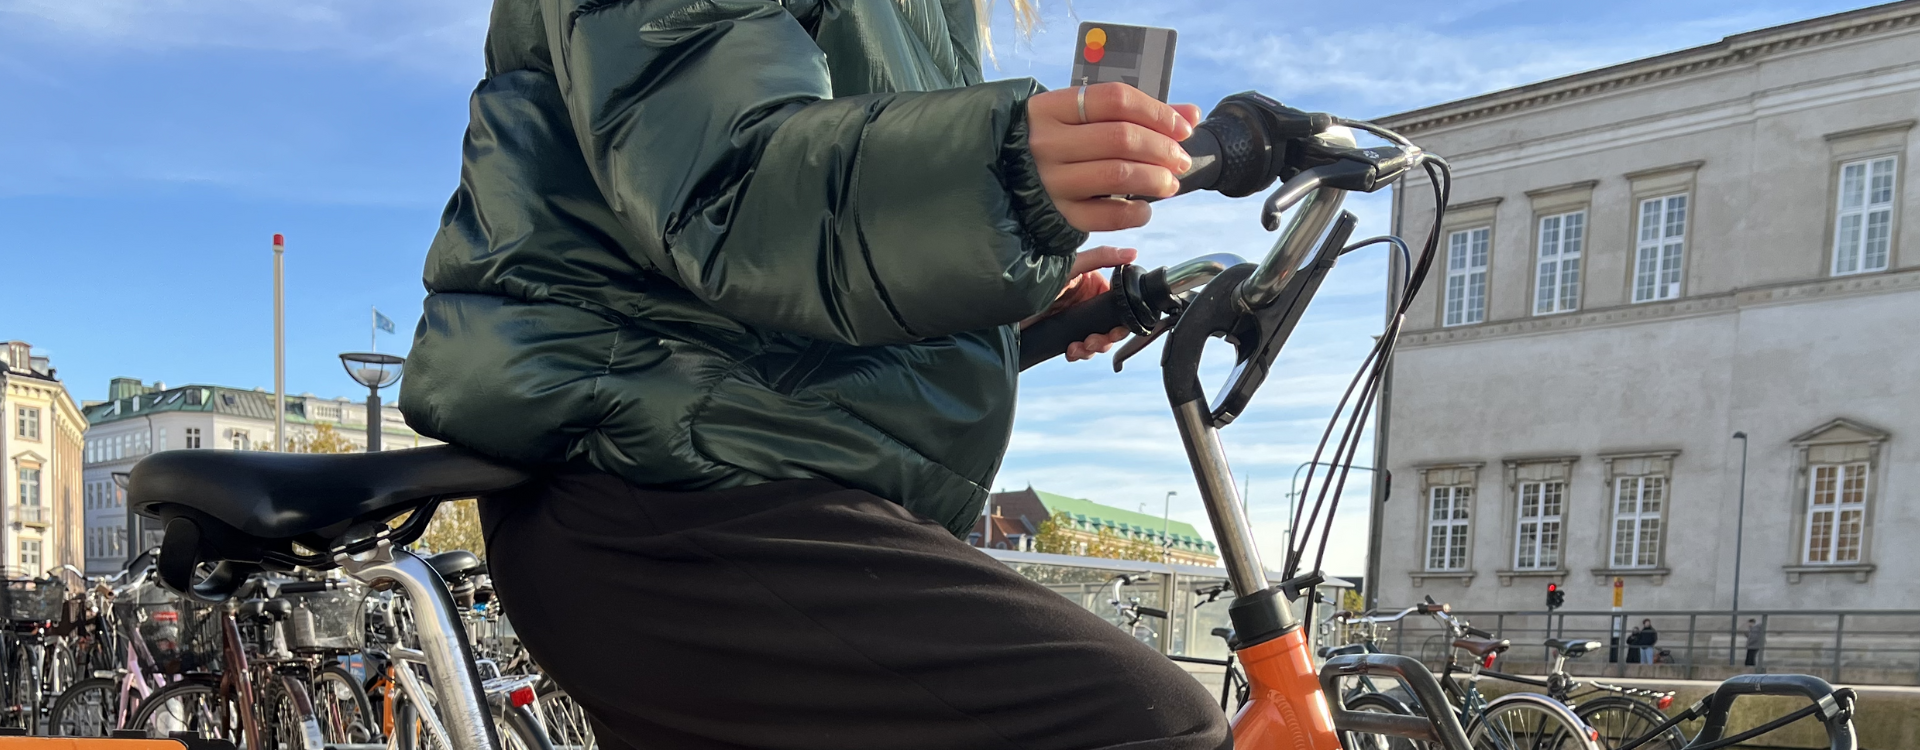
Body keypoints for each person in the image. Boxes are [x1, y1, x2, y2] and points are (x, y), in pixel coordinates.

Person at [398, 0, 1229, 748]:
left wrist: (1005, 316)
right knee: (1145, 724)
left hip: (746, 471)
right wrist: (1004, 170)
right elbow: (723, 182)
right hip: (657, 481)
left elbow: (816, 278)